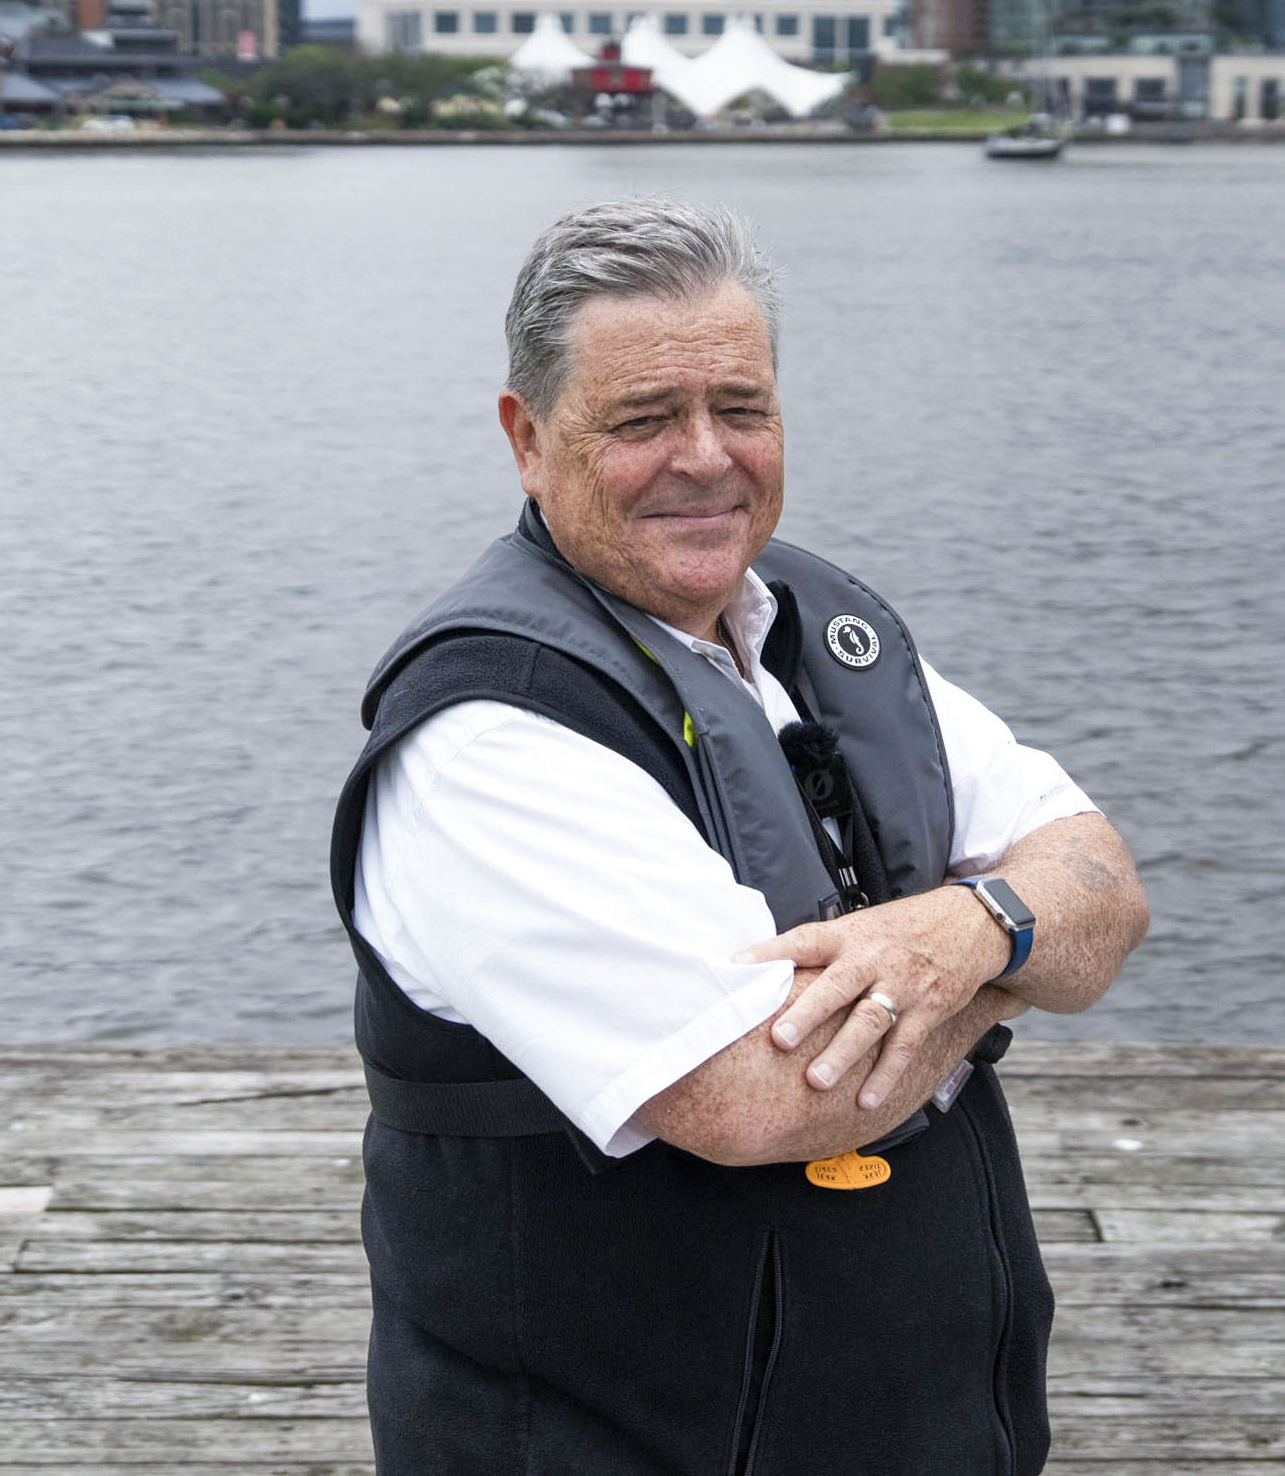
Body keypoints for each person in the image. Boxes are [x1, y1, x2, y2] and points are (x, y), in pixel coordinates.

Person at [330, 198, 1150, 1475]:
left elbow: (1102, 889)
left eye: (742, 407)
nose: (705, 457)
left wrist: (963, 925)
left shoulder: (820, 631)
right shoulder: (491, 738)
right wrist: (1004, 951)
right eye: (644, 420)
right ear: (527, 436)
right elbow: (761, 1096)